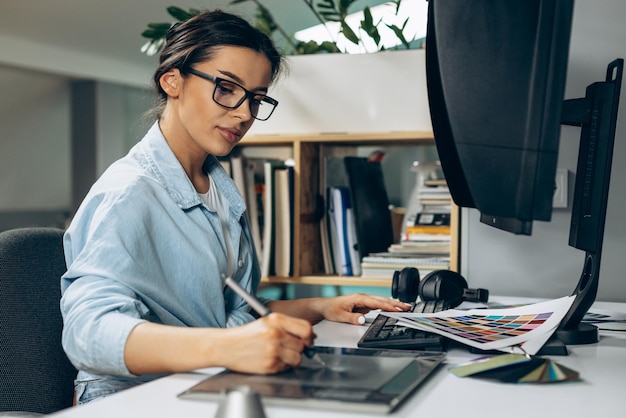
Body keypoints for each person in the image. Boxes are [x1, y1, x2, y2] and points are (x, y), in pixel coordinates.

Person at [60, 9, 409, 404]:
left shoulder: (221, 190)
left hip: (209, 384)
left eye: (257, 99)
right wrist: (226, 348)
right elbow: (87, 334)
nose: (245, 114)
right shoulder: (128, 193)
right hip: (134, 400)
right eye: (226, 88)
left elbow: (230, 313)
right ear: (172, 80)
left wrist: (319, 306)